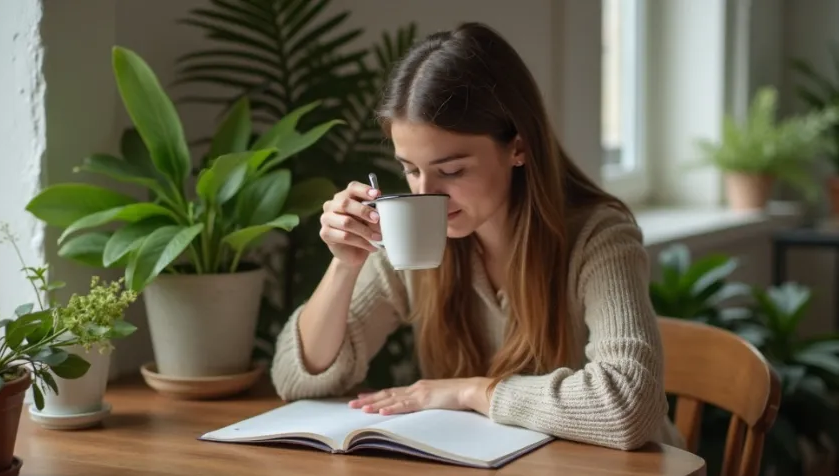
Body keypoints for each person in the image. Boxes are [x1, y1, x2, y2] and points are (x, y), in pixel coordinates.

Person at [270, 21, 685, 452]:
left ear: (518, 147)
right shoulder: (412, 235)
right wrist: (345, 264)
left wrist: (473, 392)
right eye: (410, 169)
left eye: (451, 171)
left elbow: (629, 405)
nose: (424, 194)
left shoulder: (598, 237)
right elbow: (296, 379)